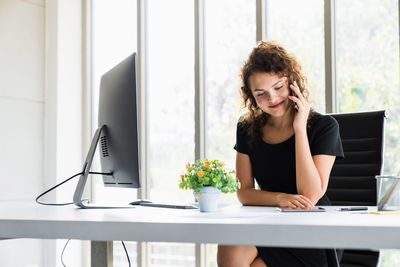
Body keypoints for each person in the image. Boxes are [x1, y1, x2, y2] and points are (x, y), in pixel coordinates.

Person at [217, 41, 344, 267]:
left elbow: (310, 195)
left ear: (292, 83)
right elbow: (244, 193)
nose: (272, 99)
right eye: (261, 94)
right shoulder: (246, 128)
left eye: (278, 87)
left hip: (310, 233)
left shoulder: (325, 127)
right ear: (251, 97)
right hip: (269, 223)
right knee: (230, 243)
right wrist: (279, 198)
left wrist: (299, 128)